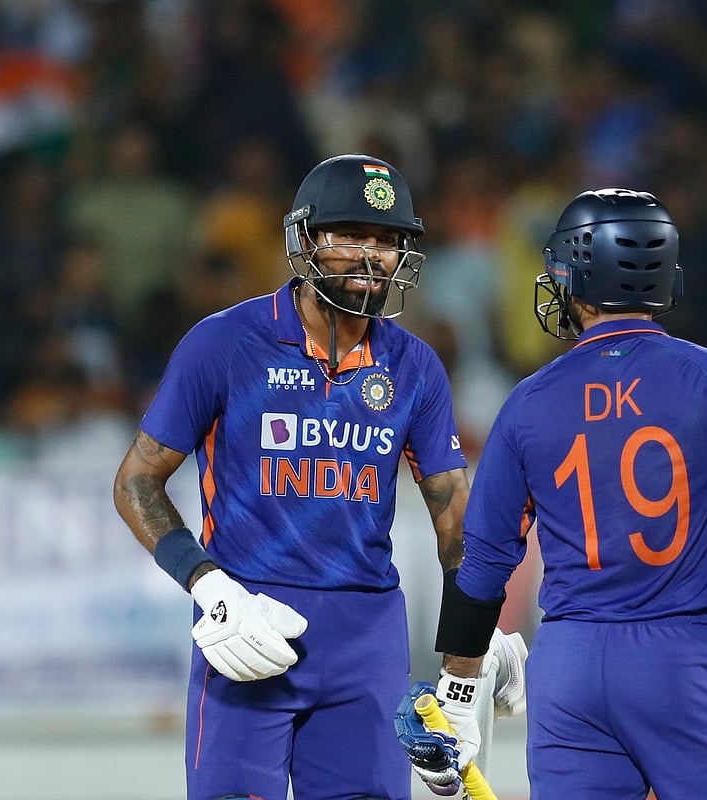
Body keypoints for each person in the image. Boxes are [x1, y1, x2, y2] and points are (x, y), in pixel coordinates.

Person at [410, 188, 707, 799]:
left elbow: (485, 559)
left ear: (576, 275)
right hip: (686, 658)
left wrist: (457, 691)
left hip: (569, 666)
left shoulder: (529, 401)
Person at [113, 153, 474, 800]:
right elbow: (136, 482)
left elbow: (459, 525)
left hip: (369, 639)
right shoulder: (224, 343)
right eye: (351, 236)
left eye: (388, 240)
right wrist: (208, 587)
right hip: (248, 618)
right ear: (304, 240)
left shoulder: (415, 367)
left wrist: (467, 668)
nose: (371, 256)